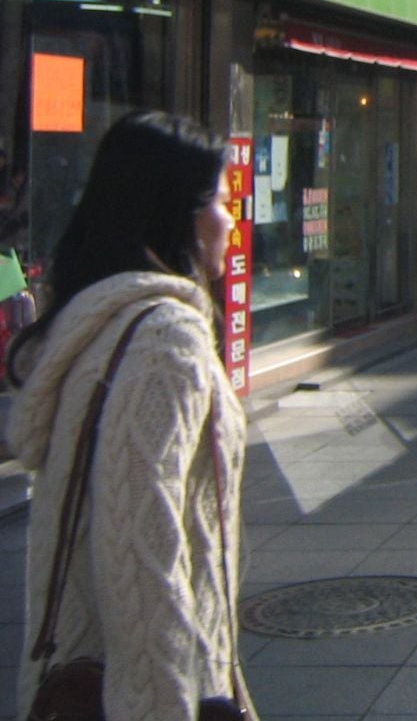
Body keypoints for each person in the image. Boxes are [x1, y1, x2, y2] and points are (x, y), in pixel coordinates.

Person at [6, 111, 253, 720]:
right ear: (176, 213)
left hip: (79, 666)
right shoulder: (165, 339)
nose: (230, 220)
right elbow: (144, 550)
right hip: (149, 689)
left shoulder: (95, 318)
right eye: (219, 202)